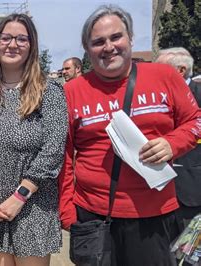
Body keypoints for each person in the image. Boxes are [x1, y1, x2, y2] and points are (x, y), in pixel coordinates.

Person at [58, 5, 200, 265]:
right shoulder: (73, 91)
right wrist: (67, 208)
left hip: (155, 214)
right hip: (94, 215)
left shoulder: (165, 76)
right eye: (98, 42)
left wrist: (173, 143)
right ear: (87, 49)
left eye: (116, 37)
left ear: (130, 39)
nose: (109, 47)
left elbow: (196, 120)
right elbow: (64, 153)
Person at [0, 14, 67, 266]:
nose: (13, 44)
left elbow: (53, 149)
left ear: (32, 46)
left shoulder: (49, 92)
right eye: (6, 38)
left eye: (21, 39)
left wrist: (20, 196)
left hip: (32, 206)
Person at [155, 47, 201, 230]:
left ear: (180, 70)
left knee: (191, 253)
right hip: (158, 190)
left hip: (193, 190)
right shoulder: (154, 98)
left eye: (160, 70)